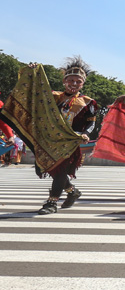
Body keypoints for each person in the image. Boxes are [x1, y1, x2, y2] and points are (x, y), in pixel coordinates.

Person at [35, 57, 98, 215]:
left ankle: (52, 202)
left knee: (61, 170)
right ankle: (72, 191)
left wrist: (85, 133)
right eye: (71, 81)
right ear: (64, 81)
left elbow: (91, 122)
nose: (74, 84)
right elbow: (35, 93)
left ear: (83, 83)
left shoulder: (88, 102)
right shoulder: (53, 97)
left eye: (78, 81)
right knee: (47, 169)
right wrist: (34, 71)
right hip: (50, 140)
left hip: (71, 142)